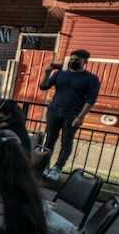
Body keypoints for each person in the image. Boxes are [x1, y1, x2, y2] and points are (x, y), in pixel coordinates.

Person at [38, 49, 101, 181]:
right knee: (49, 140)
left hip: (72, 115)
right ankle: (44, 166)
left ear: (85, 62)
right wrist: (47, 72)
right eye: (71, 59)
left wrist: (80, 117)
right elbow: (43, 87)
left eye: (77, 60)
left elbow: (91, 100)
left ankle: (57, 169)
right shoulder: (59, 73)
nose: (73, 62)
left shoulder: (91, 79)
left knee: (66, 142)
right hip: (54, 111)